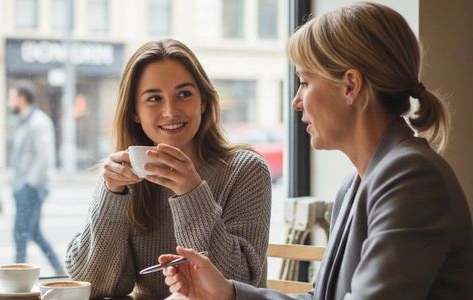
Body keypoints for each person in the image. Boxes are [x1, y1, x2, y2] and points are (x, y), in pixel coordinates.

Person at [159, 3, 473, 300]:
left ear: (350, 86)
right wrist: (228, 293)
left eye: (305, 82)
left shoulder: (410, 178)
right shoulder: (357, 183)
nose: (297, 101)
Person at [65, 39, 272, 299]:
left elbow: (235, 282)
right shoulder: (124, 177)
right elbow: (95, 285)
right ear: (135, 113)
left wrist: (191, 192)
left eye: (184, 94)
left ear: (204, 102)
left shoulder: (245, 170)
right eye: (154, 98)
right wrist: (111, 195)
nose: (170, 111)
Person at [7, 84, 65, 275]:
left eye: (12, 97)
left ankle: (16, 276)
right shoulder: (24, 121)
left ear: (22, 99)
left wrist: (28, 185)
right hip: (23, 186)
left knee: (21, 233)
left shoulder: (38, 122)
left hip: (31, 187)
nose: (9, 102)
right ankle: (59, 270)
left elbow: (43, 157)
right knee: (33, 232)